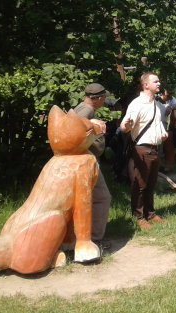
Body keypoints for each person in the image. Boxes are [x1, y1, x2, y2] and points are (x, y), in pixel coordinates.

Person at [120, 72, 168, 230]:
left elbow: (156, 122)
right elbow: (125, 126)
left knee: (151, 184)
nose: (159, 83)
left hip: (154, 149)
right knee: (140, 185)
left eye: (159, 81)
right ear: (145, 85)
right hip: (142, 149)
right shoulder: (137, 103)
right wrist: (126, 126)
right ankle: (139, 217)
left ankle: (150, 214)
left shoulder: (155, 103)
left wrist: (163, 132)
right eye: (155, 81)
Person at [73, 83, 112, 244]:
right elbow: (74, 126)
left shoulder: (83, 108)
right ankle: (95, 239)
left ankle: (82, 236)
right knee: (102, 198)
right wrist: (91, 122)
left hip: (83, 160)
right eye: (104, 98)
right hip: (86, 160)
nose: (104, 101)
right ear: (99, 98)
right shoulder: (86, 110)